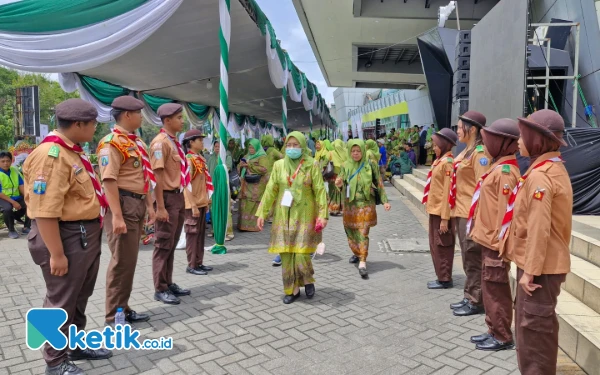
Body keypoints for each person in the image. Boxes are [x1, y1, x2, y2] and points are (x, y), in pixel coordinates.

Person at [23, 99, 112, 375]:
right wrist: (57, 254)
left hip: (83, 235)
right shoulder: (51, 155)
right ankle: (54, 361)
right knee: (60, 300)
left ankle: (72, 345)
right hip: (65, 237)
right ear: (78, 124)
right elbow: (44, 211)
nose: (95, 127)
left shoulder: (72, 152)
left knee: (78, 296)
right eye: (93, 123)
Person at [502, 110, 572, 375]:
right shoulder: (547, 168)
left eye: (523, 135)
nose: (518, 141)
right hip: (541, 265)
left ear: (538, 140)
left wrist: (529, 271)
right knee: (530, 331)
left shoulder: (541, 175)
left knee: (534, 333)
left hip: (540, 269)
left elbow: (539, 229)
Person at [97, 96, 155, 327]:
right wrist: (117, 216)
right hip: (123, 206)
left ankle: (124, 307)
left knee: (129, 261)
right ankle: (114, 317)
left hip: (137, 203)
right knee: (121, 262)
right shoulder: (111, 143)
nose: (142, 117)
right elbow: (109, 180)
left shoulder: (136, 143)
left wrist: (150, 205)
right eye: (139, 113)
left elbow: (145, 177)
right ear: (127, 115)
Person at [467, 118, 521, 351]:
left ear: (502, 143)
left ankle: (502, 335)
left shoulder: (506, 172)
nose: (486, 146)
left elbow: (505, 214)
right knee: (489, 288)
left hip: (495, 243)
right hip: (487, 239)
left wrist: (501, 246)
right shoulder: (498, 167)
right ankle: (493, 328)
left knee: (496, 289)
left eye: (491, 141)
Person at [256, 131, 328, 303]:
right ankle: (292, 289)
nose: (292, 148)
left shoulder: (312, 165)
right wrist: (262, 212)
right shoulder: (279, 165)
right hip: (283, 216)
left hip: (305, 215)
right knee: (286, 254)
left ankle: (307, 279)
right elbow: (271, 189)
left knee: (302, 253)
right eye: (289, 145)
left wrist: (323, 214)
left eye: (296, 145)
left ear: (303, 146)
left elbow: (320, 191)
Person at [149, 103, 191, 305]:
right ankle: (160, 288)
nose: (182, 121)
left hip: (177, 196)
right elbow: (156, 176)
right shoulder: (160, 143)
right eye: (179, 117)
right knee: (163, 244)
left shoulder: (174, 142)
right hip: (166, 197)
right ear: (167, 120)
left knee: (171, 243)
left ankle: (168, 281)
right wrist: (161, 207)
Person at [449, 111, 490, 316]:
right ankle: (469, 295)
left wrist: (476, 218)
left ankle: (476, 300)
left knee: (473, 256)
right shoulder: (467, 151)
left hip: (470, 213)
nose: (457, 131)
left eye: (459, 127)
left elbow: (482, 187)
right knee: (467, 257)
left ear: (472, 129)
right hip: (461, 210)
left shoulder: (479, 153)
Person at [336, 140, 391, 278]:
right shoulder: (345, 165)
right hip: (350, 205)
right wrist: (338, 182)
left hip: (366, 204)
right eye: (353, 151)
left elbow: (378, 182)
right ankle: (357, 252)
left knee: (362, 232)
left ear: (363, 151)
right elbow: (340, 180)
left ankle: (362, 260)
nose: (355, 154)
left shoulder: (370, 165)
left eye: (358, 151)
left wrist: (385, 201)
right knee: (350, 231)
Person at [423, 128, 458, 289]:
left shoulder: (448, 163)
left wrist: (445, 218)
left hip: (441, 213)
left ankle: (445, 278)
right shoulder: (440, 161)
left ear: (444, 145)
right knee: (435, 245)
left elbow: (447, 192)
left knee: (442, 245)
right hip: (434, 210)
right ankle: (440, 276)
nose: (434, 148)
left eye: (436, 145)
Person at [181, 129, 213, 276]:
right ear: (191, 143)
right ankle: (192, 264)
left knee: (200, 235)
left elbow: (203, 183)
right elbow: (186, 185)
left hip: (200, 202)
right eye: (199, 140)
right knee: (193, 235)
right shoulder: (189, 160)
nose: (202, 142)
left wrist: (205, 202)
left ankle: (199, 262)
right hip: (192, 204)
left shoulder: (199, 158)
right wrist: (192, 205)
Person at [238, 138, 269, 231]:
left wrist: (250, 166)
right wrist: (241, 165)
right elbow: (239, 166)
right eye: (250, 148)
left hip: (256, 184)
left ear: (257, 147)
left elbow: (264, 169)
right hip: (246, 184)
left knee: (253, 203)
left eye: (253, 148)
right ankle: (243, 225)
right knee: (245, 203)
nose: (251, 150)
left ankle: (253, 226)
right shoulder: (247, 156)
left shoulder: (262, 157)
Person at [207, 139, 234, 241]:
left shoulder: (226, 155)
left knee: (225, 207)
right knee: (213, 208)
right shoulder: (211, 157)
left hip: (223, 185)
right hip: (212, 186)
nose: (217, 149)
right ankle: (215, 229)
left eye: (219, 147)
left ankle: (228, 231)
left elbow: (228, 167)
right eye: (216, 147)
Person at [0, 151, 30, 239]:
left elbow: (21, 186)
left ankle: (26, 227)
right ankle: (11, 230)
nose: (6, 163)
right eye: (3, 161)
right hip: (3, 197)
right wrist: (13, 202)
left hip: (16, 196)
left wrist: (28, 197)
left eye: (8, 161)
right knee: (7, 209)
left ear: (11, 161)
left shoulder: (14, 170)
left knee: (30, 203)